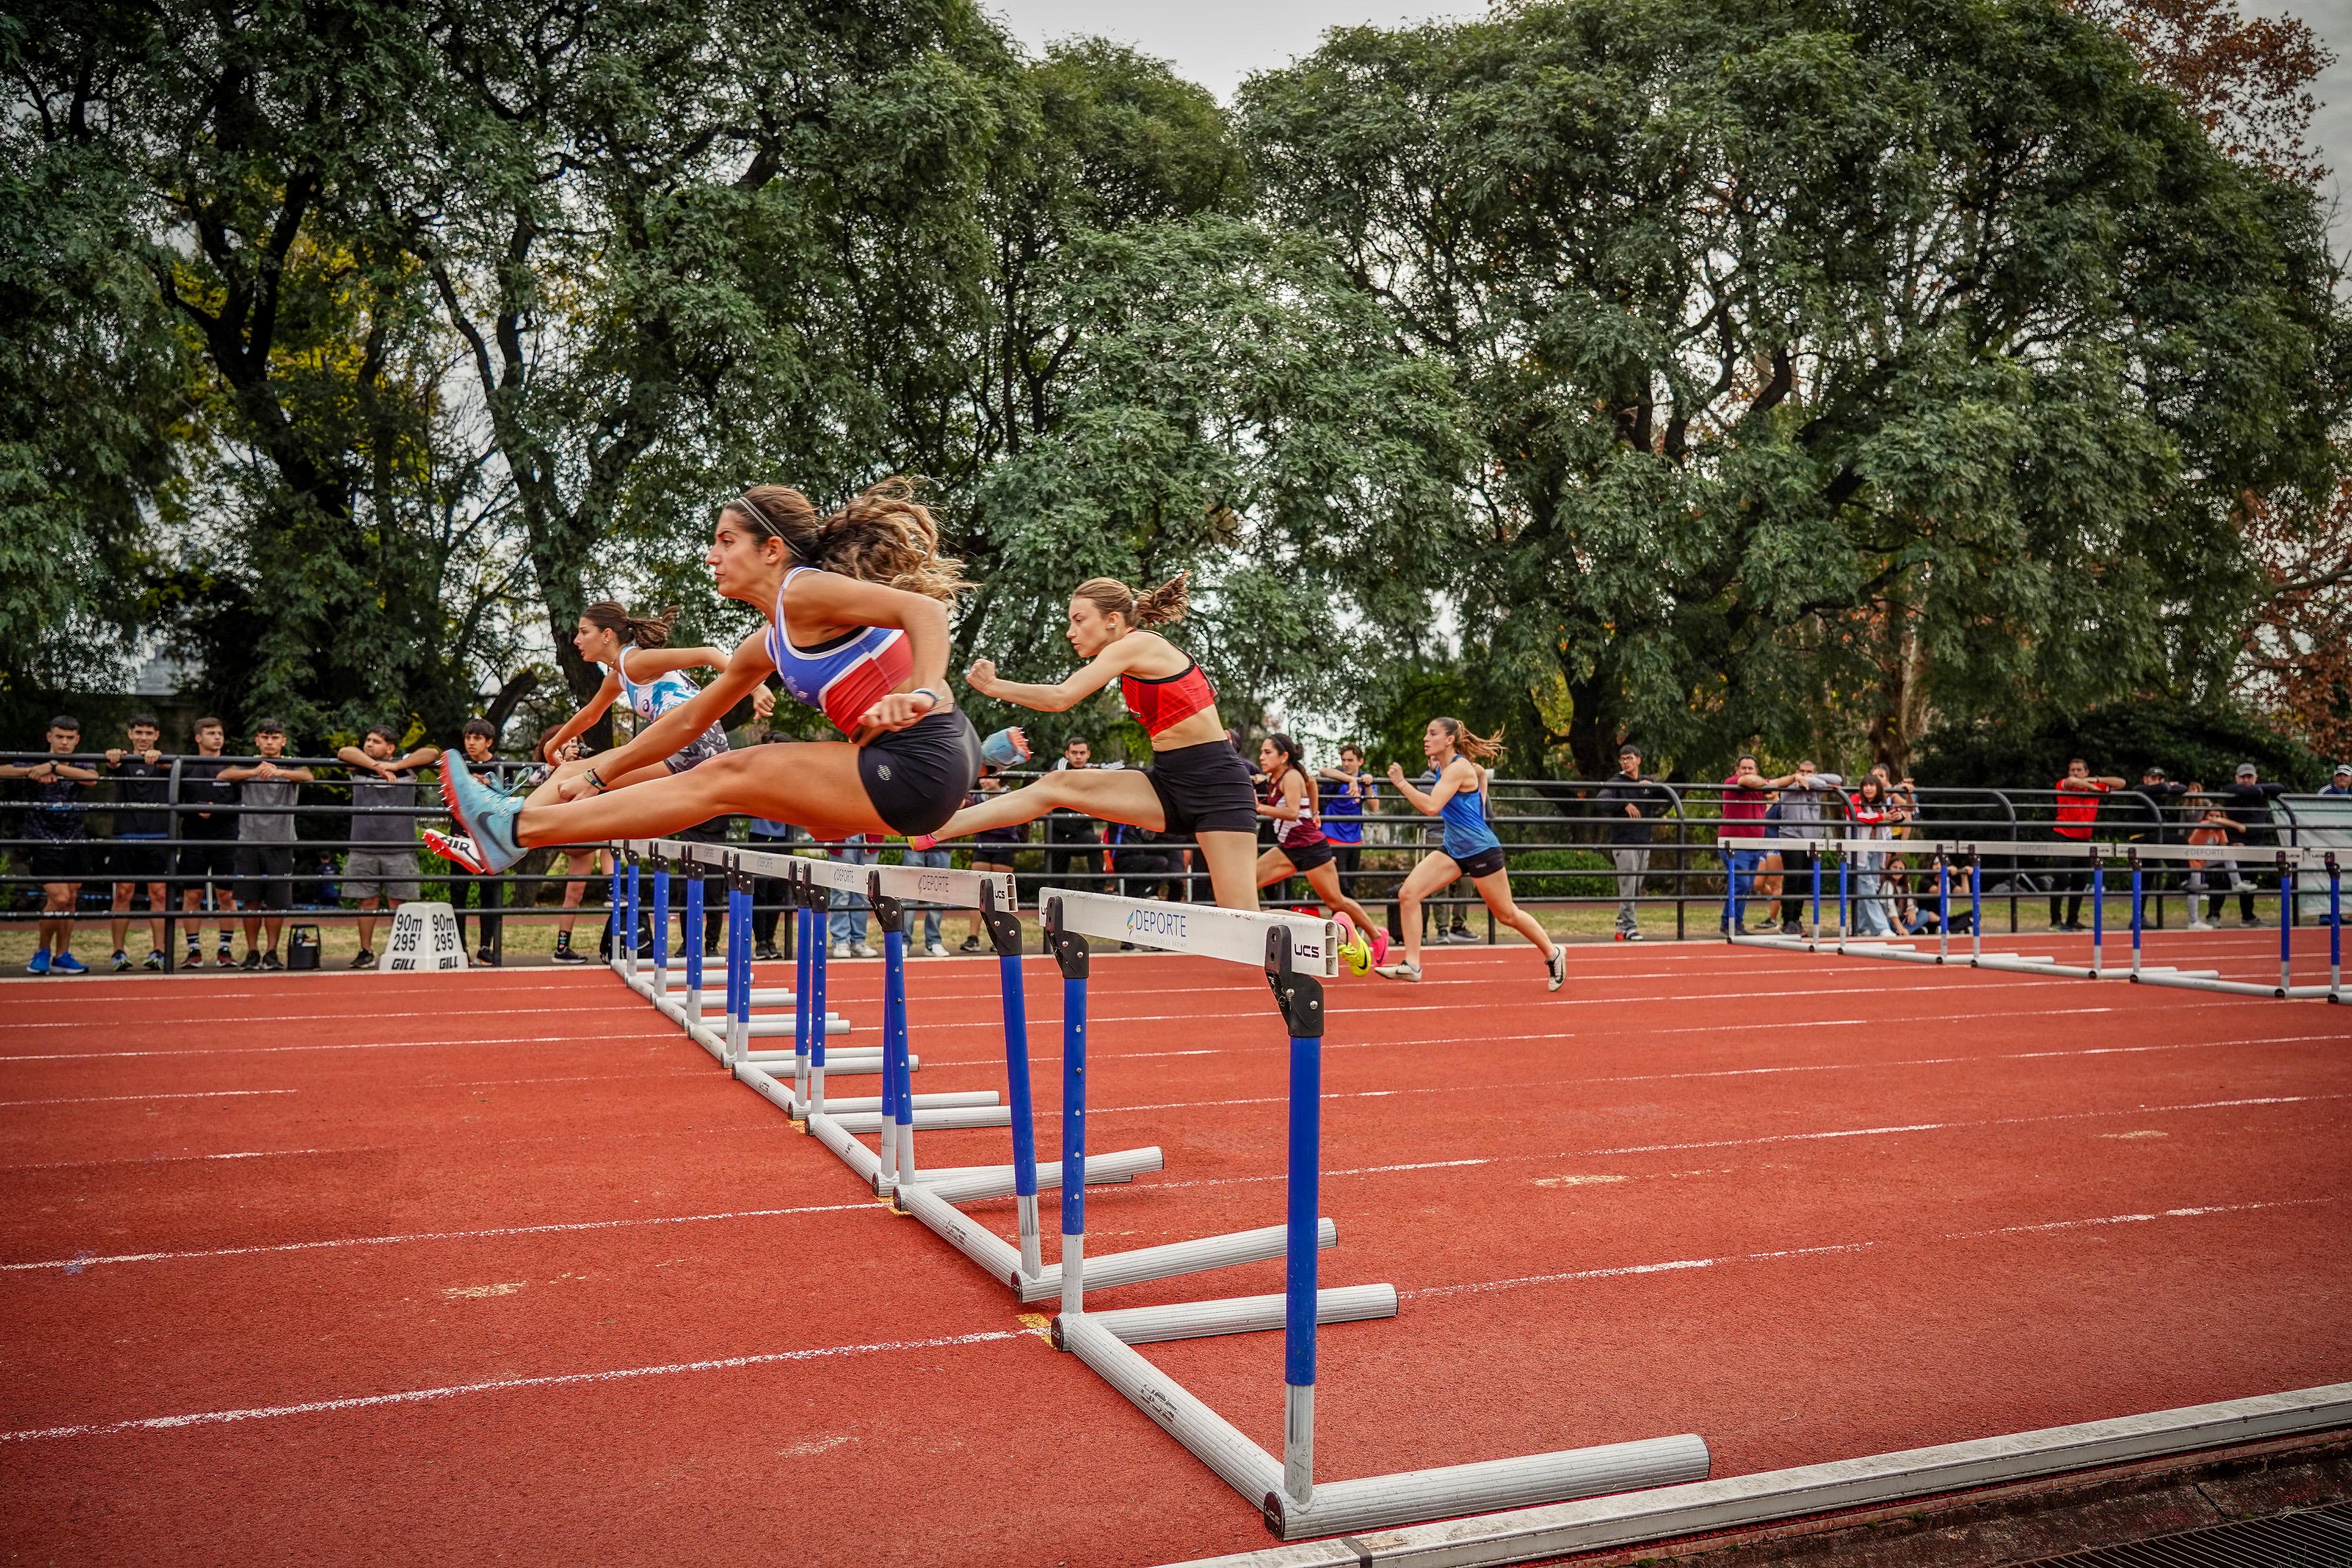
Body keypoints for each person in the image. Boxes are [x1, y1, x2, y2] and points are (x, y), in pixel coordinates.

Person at [430, 481, 981, 899]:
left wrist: (924, 690)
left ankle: (517, 827)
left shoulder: (803, 591)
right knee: (737, 782)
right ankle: (513, 828)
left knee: (729, 771)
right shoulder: (767, 642)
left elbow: (926, 610)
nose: (711, 556)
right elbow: (689, 720)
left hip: (923, 760)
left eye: (725, 541)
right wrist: (602, 772)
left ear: (771, 550)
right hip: (916, 766)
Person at [906, 573, 1262, 910]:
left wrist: (993, 687)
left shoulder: (1137, 644)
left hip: (1217, 787)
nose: (1071, 631)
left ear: (1112, 619)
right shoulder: (1128, 656)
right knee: (1058, 784)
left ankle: (1316, 948)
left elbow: (1061, 698)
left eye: (1079, 620)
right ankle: (938, 828)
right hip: (1169, 781)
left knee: (1244, 918)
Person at [1375, 719, 1565, 989]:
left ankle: (1553, 952)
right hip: (1453, 850)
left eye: (1433, 733)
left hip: (1480, 849)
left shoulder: (1458, 768)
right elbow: (1479, 774)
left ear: (1449, 740)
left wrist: (1401, 783)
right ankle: (1412, 965)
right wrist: (1480, 798)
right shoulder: (1448, 767)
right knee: (1408, 894)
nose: (1425, 738)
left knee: (1507, 914)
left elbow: (1431, 807)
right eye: (1426, 733)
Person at [1252, 733, 1389, 963]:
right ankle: (1261, 940)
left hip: (1312, 848)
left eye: (1268, 753)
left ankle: (1377, 935)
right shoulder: (1275, 777)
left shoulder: (1291, 777)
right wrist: (1315, 813)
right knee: (1248, 884)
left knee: (1336, 901)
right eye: (1262, 752)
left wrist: (1260, 809)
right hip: (1289, 847)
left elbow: (1293, 812)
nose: (1262, 757)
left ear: (1284, 756)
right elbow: (1313, 783)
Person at [335, 726, 441, 968]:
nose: (369, 744)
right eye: (368, 740)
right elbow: (345, 751)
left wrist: (394, 766)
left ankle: (399, 950)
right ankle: (366, 951)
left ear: (391, 748)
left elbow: (431, 753)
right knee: (366, 901)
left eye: (377, 742)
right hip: (362, 846)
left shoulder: (407, 769)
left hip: (400, 848)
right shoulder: (360, 766)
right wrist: (376, 767)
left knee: (398, 902)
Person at [4, 716, 99, 974]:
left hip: (74, 837)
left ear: (77, 740)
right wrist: (34, 771)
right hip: (42, 837)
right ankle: (42, 951)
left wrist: (55, 767)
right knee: (59, 898)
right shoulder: (34, 759)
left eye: (70, 738)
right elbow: (3, 770)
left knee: (71, 900)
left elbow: (92, 778)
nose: (65, 742)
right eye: (60, 737)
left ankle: (62, 955)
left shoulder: (81, 761)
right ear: (50, 737)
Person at [222, 719, 315, 969]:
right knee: (250, 901)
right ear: (258, 740)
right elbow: (224, 774)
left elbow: (308, 775)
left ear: (283, 741)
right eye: (265, 737)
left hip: (281, 842)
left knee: (277, 901)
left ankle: (271, 952)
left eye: (275, 738)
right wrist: (254, 772)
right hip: (249, 841)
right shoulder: (247, 763)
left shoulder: (292, 764)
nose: (270, 742)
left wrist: (280, 772)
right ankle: (252, 952)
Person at [524, 725, 610, 964]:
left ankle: (562, 947)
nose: (573, 745)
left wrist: (585, 762)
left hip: (586, 832)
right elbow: (534, 781)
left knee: (575, 893)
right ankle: (614, 887)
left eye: (576, 741)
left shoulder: (587, 765)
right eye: (568, 741)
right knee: (613, 833)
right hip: (567, 829)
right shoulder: (549, 767)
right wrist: (561, 765)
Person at [102, 714, 172, 971]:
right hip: (126, 835)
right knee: (123, 892)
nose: (143, 737)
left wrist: (162, 758)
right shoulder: (121, 759)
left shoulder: (165, 762)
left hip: (159, 836)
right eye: (139, 732)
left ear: (156, 736)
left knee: (160, 894)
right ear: (130, 734)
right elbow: (110, 765)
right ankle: (118, 952)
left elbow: (173, 768)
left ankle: (160, 951)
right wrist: (112, 756)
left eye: (148, 733)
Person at [175, 717, 240, 967]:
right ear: (198, 738)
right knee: (193, 893)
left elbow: (240, 803)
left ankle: (225, 950)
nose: (217, 737)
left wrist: (219, 809)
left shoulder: (233, 767)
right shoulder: (186, 766)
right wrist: (196, 809)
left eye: (220, 733)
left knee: (227, 894)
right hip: (194, 837)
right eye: (211, 733)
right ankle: (194, 950)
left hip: (226, 838)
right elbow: (176, 803)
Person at [444, 720, 511, 964]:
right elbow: (447, 800)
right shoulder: (457, 765)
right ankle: (460, 948)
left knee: (491, 893)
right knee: (458, 892)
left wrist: (490, 786)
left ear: (489, 742)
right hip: (461, 835)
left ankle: (486, 947)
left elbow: (511, 799)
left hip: (492, 838)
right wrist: (467, 786)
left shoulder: (503, 766)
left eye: (477, 738)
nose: (471, 743)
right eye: (468, 737)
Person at [1593, 743, 1667, 941]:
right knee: (1628, 884)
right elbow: (1601, 801)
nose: (1626, 762)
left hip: (1644, 840)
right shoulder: (1616, 782)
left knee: (1636, 886)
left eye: (1630, 759)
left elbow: (1669, 796)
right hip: (1623, 841)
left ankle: (1622, 924)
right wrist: (1624, 804)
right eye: (1623, 759)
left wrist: (1657, 788)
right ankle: (1630, 926)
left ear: (1638, 760)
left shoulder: (1646, 782)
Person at [1759, 760, 1842, 935]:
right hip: (1791, 839)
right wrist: (1802, 779)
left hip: (1811, 842)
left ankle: (1797, 919)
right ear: (1796, 772)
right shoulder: (1791, 786)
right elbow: (1775, 783)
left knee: (1804, 883)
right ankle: (1787, 921)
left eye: (1808, 772)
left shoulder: (1815, 785)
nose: (1804, 775)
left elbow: (1838, 779)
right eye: (1801, 771)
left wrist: (1813, 779)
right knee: (1792, 881)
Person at [2049, 758, 2123, 931]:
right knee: (2061, 878)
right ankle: (2055, 921)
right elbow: (2072, 782)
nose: (2074, 773)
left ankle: (2072, 920)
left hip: (2084, 838)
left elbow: (2121, 783)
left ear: (2086, 772)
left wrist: (2094, 781)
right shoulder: (2065, 784)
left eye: (2078, 770)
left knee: (2080, 880)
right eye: (2072, 769)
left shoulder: (2092, 781)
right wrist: (2092, 788)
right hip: (2063, 835)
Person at [2209, 761, 2287, 927]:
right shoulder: (2233, 791)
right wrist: (2257, 791)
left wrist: (2258, 790)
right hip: (2234, 842)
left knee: (2250, 881)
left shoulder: (2259, 790)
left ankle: (2248, 917)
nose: (2246, 780)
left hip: (2254, 843)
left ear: (2256, 778)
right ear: (2237, 778)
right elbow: (2235, 790)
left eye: (2250, 777)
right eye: (2243, 777)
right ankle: (2213, 915)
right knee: (2225, 879)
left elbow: (2279, 787)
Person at [959, 769, 1027, 952]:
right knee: (977, 892)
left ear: (998, 778)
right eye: (981, 778)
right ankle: (973, 937)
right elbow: (969, 813)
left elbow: (1008, 824)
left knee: (1001, 893)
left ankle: (1002, 936)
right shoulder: (977, 796)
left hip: (1004, 847)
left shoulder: (1009, 795)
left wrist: (984, 822)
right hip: (982, 846)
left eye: (987, 777)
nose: (983, 781)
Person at [1716, 754, 1772, 934]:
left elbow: (1779, 783)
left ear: (1757, 770)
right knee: (1741, 882)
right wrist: (1767, 784)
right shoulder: (1733, 782)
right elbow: (1750, 780)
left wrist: (1796, 777)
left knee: (1746, 885)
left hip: (1754, 845)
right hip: (1735, 845)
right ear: (1737, 770)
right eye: (1744, 768)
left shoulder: (1759, 788)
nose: (1747, 771)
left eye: (1751, 768)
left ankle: (1735, 922)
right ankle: (1730, 923)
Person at [1043, 737, 1107, 888]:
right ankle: (1052, 899)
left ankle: (1100, 892)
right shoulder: (1061, 765)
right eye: (1074, 753)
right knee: (1055, 876)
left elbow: (1117, 768)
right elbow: (1057, 772)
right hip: (1059, 831)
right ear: (1067, 754)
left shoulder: (1093, 770)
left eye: (1082, 753)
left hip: (1081, 832)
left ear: (1088, 754)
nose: (1078, 757)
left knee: (1095, 844)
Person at [1317, 745, 1378, 896]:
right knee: (1341, 886)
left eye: (1350, 760)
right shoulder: (1336, 778)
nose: (1346, 764)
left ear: (1360, 761)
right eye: (1344, 760)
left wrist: (1367, 785)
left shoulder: (1364, 778)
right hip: (1333, 839)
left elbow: (1375, 808)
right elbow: (1324, 771)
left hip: (1355, 840)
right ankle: (1353, 916)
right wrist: (1351, 780)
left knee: (1350, 883)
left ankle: (1344, 918)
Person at [1845, 774, 1901, 936]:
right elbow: (1859, 816)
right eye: (1865, 785)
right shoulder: (1854, 799)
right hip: (1859, 852)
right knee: (1866, 889)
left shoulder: (1881, 804)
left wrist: (1897, 816)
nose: (1868, 788)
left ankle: (1861, 927)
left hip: (1876, 852)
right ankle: (1881, 927)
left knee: (1870, 888)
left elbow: (1900, 815)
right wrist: (1883, 817)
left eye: (1872, 785)